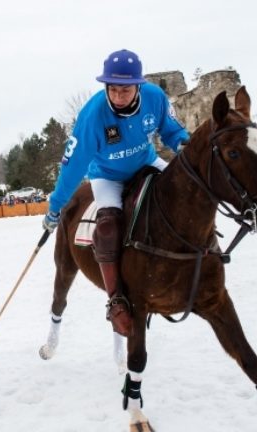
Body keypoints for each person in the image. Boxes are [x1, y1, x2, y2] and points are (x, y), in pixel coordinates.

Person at [42, 49, 190, 337]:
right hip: (107, 176)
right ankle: (117, 301)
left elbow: (171, 131)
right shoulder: (92, 117)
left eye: (126, 89)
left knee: (184, 196)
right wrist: (55, 208)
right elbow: (73, 169)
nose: (119, 95)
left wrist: (183, 143)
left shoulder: (155, 98)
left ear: (139, 85)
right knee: (108, 227)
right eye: (113, 89)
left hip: (146, 163)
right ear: (106, 87)